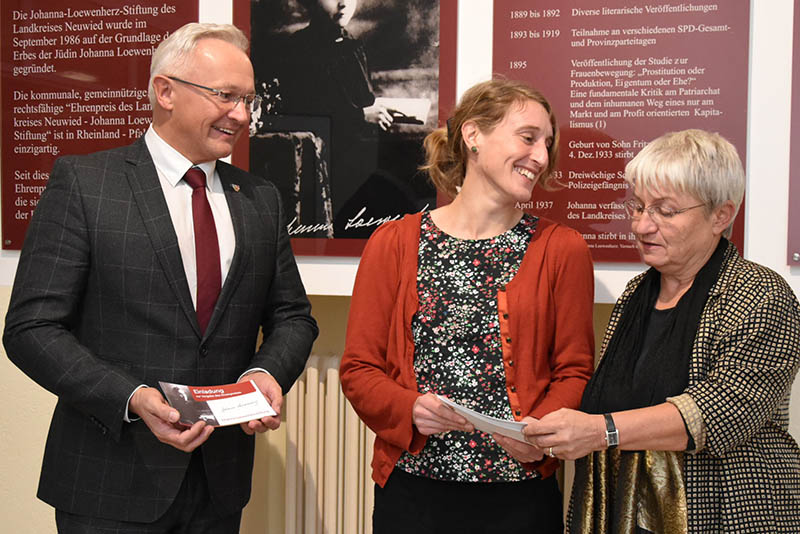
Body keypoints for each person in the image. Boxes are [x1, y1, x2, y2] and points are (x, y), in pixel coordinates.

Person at [3, 23, 318, 533]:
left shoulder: (260, 199)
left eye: (247, 100)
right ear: (165, 91)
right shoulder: (86, 185)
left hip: (219, 485)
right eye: (225, 96)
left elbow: (292, 317)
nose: (241, 115)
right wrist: (131, 397)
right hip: (110, 480)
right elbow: (31, 329)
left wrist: (264, 375)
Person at [339, 78, 595, 533]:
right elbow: (359, 369)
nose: (540, 156)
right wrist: (409, 409)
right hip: (413, 491)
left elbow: (574, 369)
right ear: (473, 135)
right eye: (528, 137)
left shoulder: (563, 249)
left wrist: (537, 433)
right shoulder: (393, 243)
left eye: (547, 144)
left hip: (520, 493)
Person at [523, 129, 800, 533]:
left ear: (721, 215)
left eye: (665, 212)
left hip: (727, 511)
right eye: (638, 207)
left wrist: (600, 431)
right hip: (627, 509)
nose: (641, 226)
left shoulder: (760, 294)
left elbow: (718, 414)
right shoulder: (638, 292)